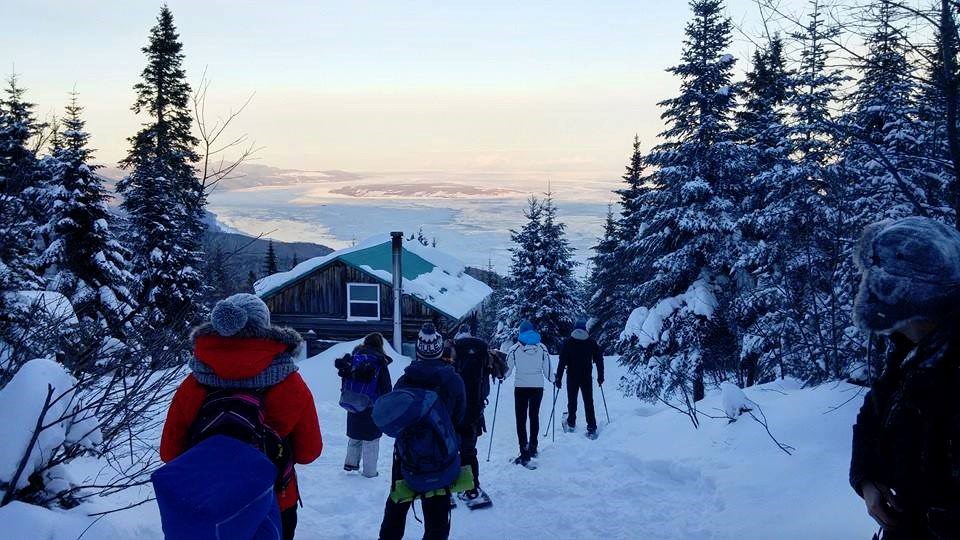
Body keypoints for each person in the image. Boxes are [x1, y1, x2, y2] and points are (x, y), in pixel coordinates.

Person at [160, 294, 323, 540]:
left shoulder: (193, 383)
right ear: (265, 327)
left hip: (206, 502)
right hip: (274, 500)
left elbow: (169, 453)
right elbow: (309, 452)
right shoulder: (291, 382)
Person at [849, 217, 960, 540]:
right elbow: (874, 415)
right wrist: (867, 479)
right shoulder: (912, 354)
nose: (894, 328)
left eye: (901, 316)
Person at [379, 323, 466, 540]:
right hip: (442, 459)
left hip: (406, 460)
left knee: (396, 509)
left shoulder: (404, 381)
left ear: (418, 351)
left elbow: (393, 418)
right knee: (437, 518)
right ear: (439, 350)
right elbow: (461, 416)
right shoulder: (453, 380)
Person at [336, 333, 393, 478]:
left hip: (352, 402)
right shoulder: (379, 361)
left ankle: (350, 464)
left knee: (355, 435)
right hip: (370, 405)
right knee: (371, 440)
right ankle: (369, 472)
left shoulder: (354, 358)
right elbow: (386, 387)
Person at [452, 323, 492, 506]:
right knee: (469, 450)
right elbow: (486, 387)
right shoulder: (481, 353)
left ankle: (449, 488)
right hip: (474, 411)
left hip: (453, 411)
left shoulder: (453, 352)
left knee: (450, 450)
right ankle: (472, 488)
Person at [504, 320, 552, 468]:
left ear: (520, 332)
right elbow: (548, 370)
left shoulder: (514, 348)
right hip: (537, 387)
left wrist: (501, 376)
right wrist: (554, 379)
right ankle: (533, 447)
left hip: (521, 387)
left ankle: (524, 451)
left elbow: (507, 370)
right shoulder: (542, 347)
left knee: (521, 419)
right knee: (534, 416)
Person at [556, 319, 605, 439]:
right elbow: (599, 360)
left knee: (572, 400)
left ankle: (571, 423)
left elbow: (562, 361)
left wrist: (559, 378)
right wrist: (600, 376)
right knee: (588, 401)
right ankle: (592, 427)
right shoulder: (591, 342)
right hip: (586, 376)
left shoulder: (568, 342)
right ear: (585, 329)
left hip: (572, 375)